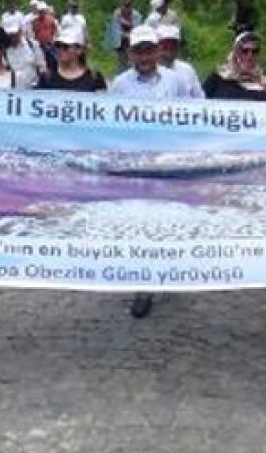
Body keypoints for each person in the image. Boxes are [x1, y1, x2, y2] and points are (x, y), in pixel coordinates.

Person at [108, 25, 194, 319]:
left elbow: (193, 118)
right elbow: (108, 126)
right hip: (135, 166)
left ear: (158, 50)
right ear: (130, 53)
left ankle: (165, 268)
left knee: (167, 221)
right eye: (139, 51)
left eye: (149, 50)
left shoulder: (176, 81)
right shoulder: (119, 85)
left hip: (169, 163)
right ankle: (143, 285)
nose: (144, 56)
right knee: (139, 222)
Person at [202, 32, 266, 102]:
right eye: (244, 51)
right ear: (235, 53)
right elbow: (201, 103)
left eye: (254, 51)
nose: (250, 56)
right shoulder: (217, 78)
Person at [37, 29, 106, 91]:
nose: (60, 50)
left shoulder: (94, 77)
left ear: (79, 50)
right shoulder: (47, 77)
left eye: (65, 46)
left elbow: (103, 102)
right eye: (58, 45)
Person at [155, 23, 204, 98]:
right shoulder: (146, 72)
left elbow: (200, 98)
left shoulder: (187, 70)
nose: (168, 53)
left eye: (173, 48)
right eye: (164, 48)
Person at [105, 0, 143, 71]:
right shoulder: (117, 13)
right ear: (123, 0)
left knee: (133, 62)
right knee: (122, 63)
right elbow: (115, 29)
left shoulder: (137, 15)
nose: (128, 0)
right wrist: (123, 35)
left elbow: (138, 29)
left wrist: (131, 36)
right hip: (121, 43)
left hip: (133, 42)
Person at [3, 18, 45, 88]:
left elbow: (41, 64)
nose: (12, 37)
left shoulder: (32, 45)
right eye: (10, 34)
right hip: (12, 88)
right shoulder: (4, 50)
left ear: (20, 31)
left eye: (14, 34)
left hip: (33, 87)